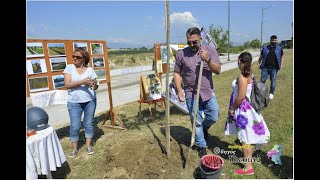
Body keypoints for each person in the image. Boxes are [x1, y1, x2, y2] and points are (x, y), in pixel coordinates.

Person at [173, 27, 221, 158]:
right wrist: (179, 90)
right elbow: (177, 73)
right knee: (196, 121)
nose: (192, 45)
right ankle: (201, 145)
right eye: (189, 42)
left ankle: (205, 128)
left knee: (214, 115)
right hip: (190, 93)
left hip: (207, 91)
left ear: (201, 38)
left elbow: (218, 70)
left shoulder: (209, 50)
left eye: (195, 42)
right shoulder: (181, 54)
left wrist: (208, 60)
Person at [225, 52, 270, 175]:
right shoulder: (250, 73)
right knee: (248, 137)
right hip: (249, 109)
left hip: (243, 110)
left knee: (245, 139)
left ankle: (248, 168)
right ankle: (249, 162)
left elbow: (240, 97)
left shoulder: (242, 76)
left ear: (239, 61)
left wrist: (232, 108)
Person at [63, 47, 99, 158]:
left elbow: (96, 86)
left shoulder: (90, 70)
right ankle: (75, 149)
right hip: (74, 102)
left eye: (78, 57)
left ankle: (88, 146)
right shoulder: (69, 68)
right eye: (73, 56)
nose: (75, 58)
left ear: (84, 58)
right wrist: (82, 81)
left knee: (88, 123)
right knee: (75, 126)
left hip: (90, 101)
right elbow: (68, 84)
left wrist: (94, 83)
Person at [258, 35, 284, 100]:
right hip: (265, 68)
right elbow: (261, 56)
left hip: (274, 68)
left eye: (275, 40)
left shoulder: (279, 48)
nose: (274, 41)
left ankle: (271, 93)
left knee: (273, 82)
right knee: (262, 81)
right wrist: (259, 63)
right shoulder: (265, 48)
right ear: (270, 40)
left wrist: (281, 64)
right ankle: (260, 93)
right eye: (273, 40)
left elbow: (282, 56)